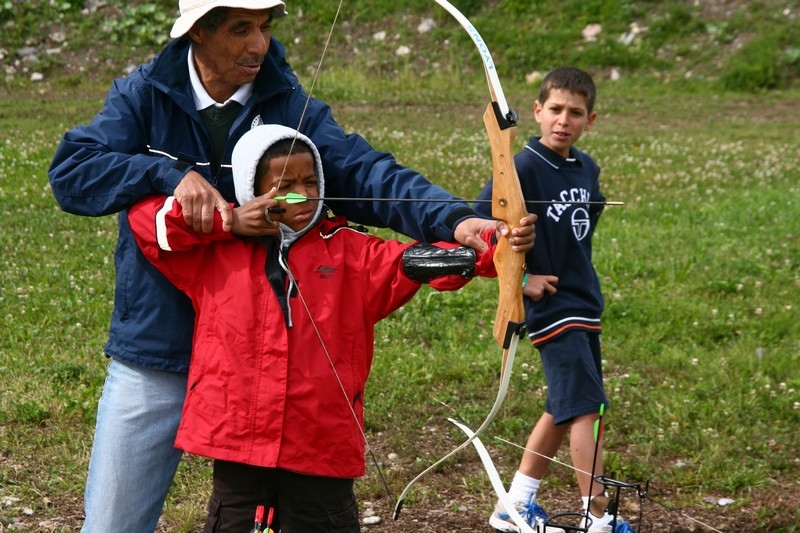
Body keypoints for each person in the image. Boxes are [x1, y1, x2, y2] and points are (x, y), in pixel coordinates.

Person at [46, 2, 534, 531]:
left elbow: (363, 172)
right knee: (113, 522)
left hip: (256, 355)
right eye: (240, 29)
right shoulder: (143, 94)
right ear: (198, 33)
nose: (259, 45)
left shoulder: (284, 97)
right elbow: (74, 171)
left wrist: (457, 223)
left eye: (265, 27)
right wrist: (167, 174)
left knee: (256, 509)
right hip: (158, 341)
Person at [128, 123, 515, 532]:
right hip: (238, 443)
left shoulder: (350, 251)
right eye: (286, 185)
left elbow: (413, 261)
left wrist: (498, 243)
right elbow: (144, 222)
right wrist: (230, 222)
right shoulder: (214, 253)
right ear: (251, 191)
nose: (303, 194)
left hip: (320, 447)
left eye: (311, 182)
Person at [474, 67, 634, 533]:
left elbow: (588, 218)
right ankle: (597, 515)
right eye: (556, 110)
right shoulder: (520, 168)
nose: (564, 120)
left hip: (584, 301)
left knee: (564, 407)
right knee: (588, 408)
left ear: (591, 119)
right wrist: (519, 281)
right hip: (553, 306)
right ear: (538, 112)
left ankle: (514, 504)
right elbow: (482, 230)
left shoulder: (586, 168)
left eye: (576, 113)